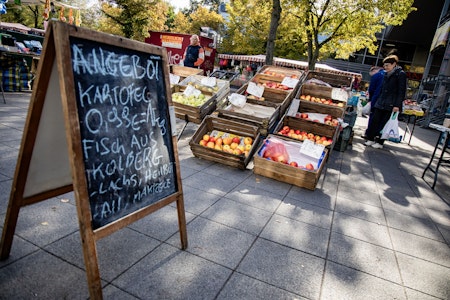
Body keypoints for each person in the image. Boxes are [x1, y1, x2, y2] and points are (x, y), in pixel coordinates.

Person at [363, 55, 407, 149]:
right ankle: (370, 138)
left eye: (387, 65)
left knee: (384, 123)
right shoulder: (385, 74)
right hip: (381, 101)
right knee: (375, 121)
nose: (385, 67)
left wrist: (397, 105)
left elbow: (401, 91)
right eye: (385, 65)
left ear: (394, 64)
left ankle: (380, 141)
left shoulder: (400, 74)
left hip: (391, 103)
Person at [362, 66, 385, 138]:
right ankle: (378, 135)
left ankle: (369, 134)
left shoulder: (377, 76)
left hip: (375, 100)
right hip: (385, 102)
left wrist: (371, 99)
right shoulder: (388, 75)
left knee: (373, 118)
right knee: (381, 120)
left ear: (374, 71)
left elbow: (371, 89)